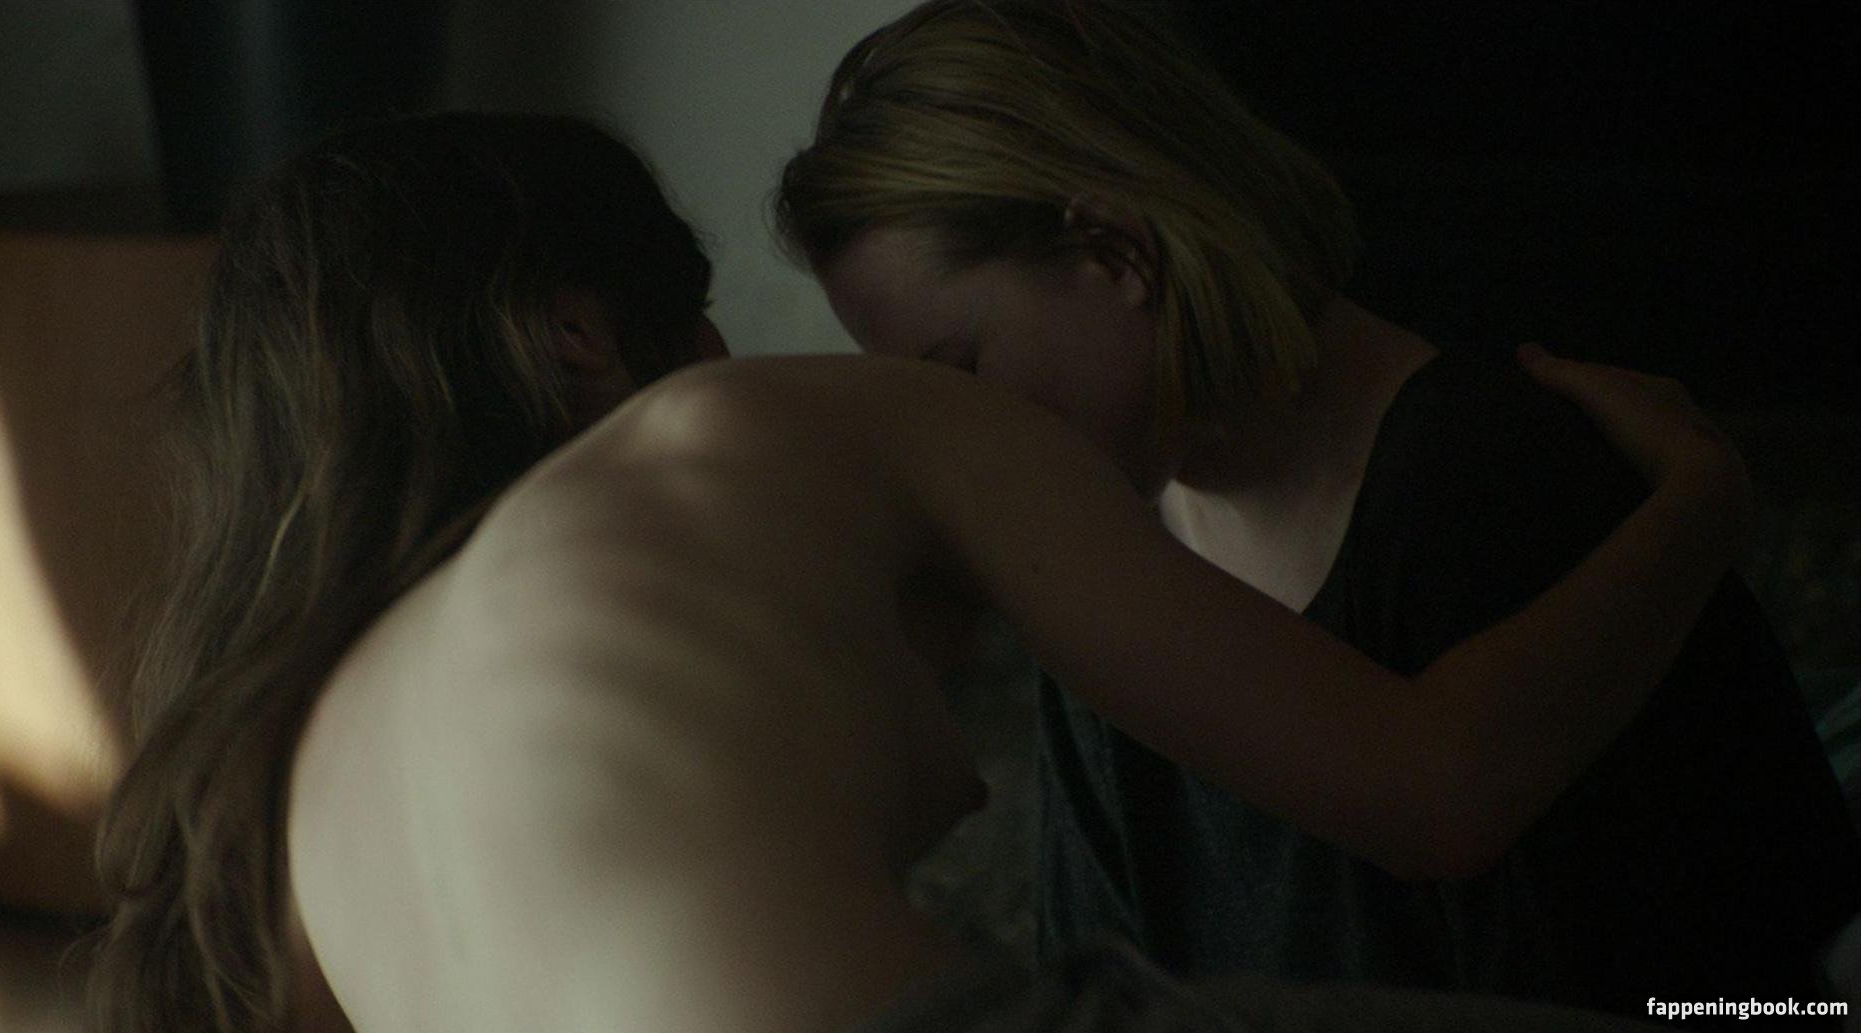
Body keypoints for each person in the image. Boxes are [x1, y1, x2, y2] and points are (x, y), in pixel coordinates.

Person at [94, 111, 1751, 1033]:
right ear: (584, 336)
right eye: (701, 315)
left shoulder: (305, 761)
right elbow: (1435, 785)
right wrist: (1692, 497)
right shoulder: (749, 426)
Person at [774, 0, 1860, 1022]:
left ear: (1115, 252)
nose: (960, 437)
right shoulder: (1098, 577)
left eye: (962, 370)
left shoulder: (1493, 481)